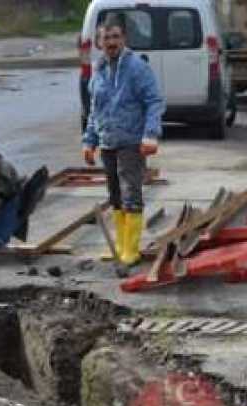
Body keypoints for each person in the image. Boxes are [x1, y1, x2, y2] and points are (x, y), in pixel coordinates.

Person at [82, 13, 166, 267]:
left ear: (124, 39)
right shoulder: (98, 71)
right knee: (115, 195)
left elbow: (154, 101)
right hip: (108, 141)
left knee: (131, 193)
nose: (111, 41)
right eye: (106, 37)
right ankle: (120, 245)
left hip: (131, 142)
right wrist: (89, 141)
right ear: (99, 42)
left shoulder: (137, 67)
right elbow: (94, 111)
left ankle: (132, 249)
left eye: (116, 36)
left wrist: (150, 135)